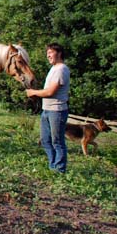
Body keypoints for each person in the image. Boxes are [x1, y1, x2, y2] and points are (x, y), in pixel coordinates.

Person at [26, 43, 70, 173]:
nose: (48, 55)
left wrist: (33, 92)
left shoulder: (61, 69)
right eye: (47, 53)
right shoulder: (54, 69)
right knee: (45, 140)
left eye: (50, 52)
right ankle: (53, 166)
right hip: (47, 110)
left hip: (57, 111)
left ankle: (60, 169)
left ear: (59, 53)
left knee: (57, 141)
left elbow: (51, 92)